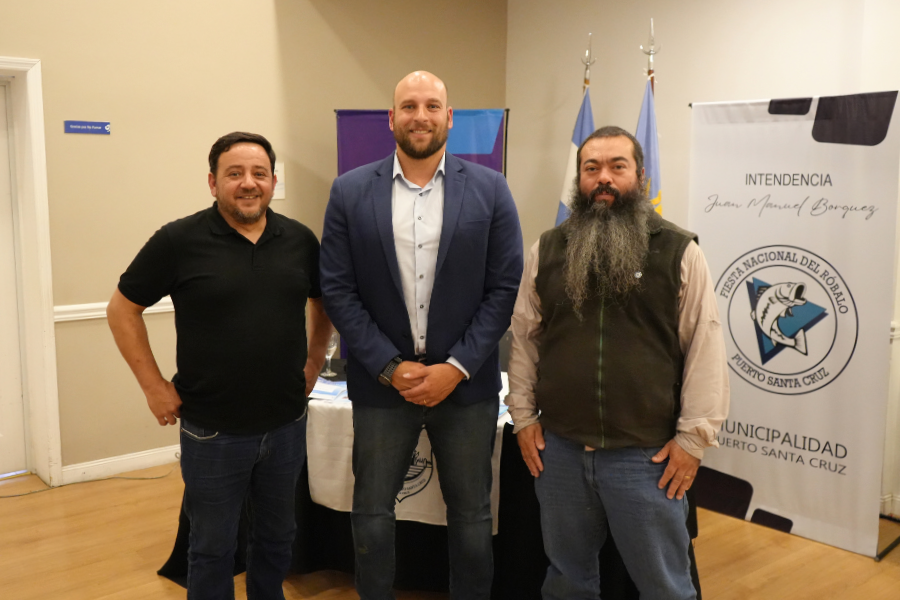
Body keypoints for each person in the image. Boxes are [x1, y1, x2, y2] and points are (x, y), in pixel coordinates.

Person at [319, 71, 523, 600]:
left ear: (449, 118)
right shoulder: (349, 191)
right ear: (391, 119)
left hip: (466, 387)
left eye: (432, 106)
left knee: (472, 516)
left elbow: (504, 289)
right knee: (371, 513)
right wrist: (389, 366)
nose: (420, 116)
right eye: (408, 106)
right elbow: (337, 289)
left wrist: (455, 368)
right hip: (382, 386)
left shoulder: (491, 189)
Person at [506, 126, 729, 600]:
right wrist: (523, 418)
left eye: (617, 167)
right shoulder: (547, 249)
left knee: (665, 588)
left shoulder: (679, 251)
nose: (603, 178)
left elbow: (705, 348)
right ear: (579, 179)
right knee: (567, 581)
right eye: (591, 168)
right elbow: (524, 339)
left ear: (640, 177)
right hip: (560, 452)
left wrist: (693, 440)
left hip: (646, 457)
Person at [107, 132, 332, 600]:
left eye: (259, 173)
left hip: (286, 425)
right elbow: (122, 309)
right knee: (212, 549)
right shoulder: (178, 240)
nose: (248, 183)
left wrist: (315, 358)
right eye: (235, 174)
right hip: (212, 432)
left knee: (277, 539)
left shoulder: (299, 239)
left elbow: (322, 300)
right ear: (213, 183)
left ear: (273, 182)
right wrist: (152, 386)